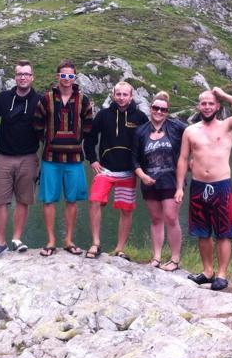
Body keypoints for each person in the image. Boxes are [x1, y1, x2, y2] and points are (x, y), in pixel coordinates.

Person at [175, 86, 232, 291]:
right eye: (204, 103)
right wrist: (179, 188)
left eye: (211, 103)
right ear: (198, 106)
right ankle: (207, 271)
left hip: (221, 186)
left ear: (217, 106)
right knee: (203, 232)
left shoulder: (227, 126)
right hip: (198, 186)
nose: (207, 107)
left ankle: (221, 274)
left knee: (224, 233)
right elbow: (183, 159)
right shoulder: (190, 131)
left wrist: (224, 95)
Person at [33, 59, 94, 257]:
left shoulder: (83, 100)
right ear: (57, 77)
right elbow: (37, 124)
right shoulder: (47, 99)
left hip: (75, 158)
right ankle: (51, 240)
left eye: (70, 76)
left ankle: (68, 240)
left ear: (74, 78)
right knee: (49, 199)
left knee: (72, 199)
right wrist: (50, 140)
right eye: (63, 75)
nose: (66, 79)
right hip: (50, 157)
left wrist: (76, 141)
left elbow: (88, 126)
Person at [84, 81, 147, 259]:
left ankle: (119, 249)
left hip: (129, 172)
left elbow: (146, 143)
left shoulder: (140, 117)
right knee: (95, 201)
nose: (121, 98)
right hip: (105, 170)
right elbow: (90, 138)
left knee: (126, 210)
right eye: (118, 94)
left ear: (131, 96)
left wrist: (141, 168)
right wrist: (93, 160)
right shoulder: (103, 115)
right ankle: (95, 243)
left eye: (124, 94)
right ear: (113, 95)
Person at [0, 60, 41, 256]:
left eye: (27, 74)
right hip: (3, 157)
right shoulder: (3, 98)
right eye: (19, 74)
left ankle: (17, 239)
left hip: (28, 157)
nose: (23, 77)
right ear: (15, 77)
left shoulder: (40, 100)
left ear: (32, 77)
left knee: (23, 200)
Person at [134, 91, 187, 271]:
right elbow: (133, 159)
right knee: (156, 219)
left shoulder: (177, 127)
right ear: (150, 109)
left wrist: (193, 160)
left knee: (171, 218)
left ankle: (174, 259)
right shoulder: (141, 131)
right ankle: (156, 257)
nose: (159, 112)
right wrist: (141, 175)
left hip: (172, 181)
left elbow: (195, 137)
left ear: (167, 111)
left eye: (163, 109)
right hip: (149, 182)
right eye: (155, 108)